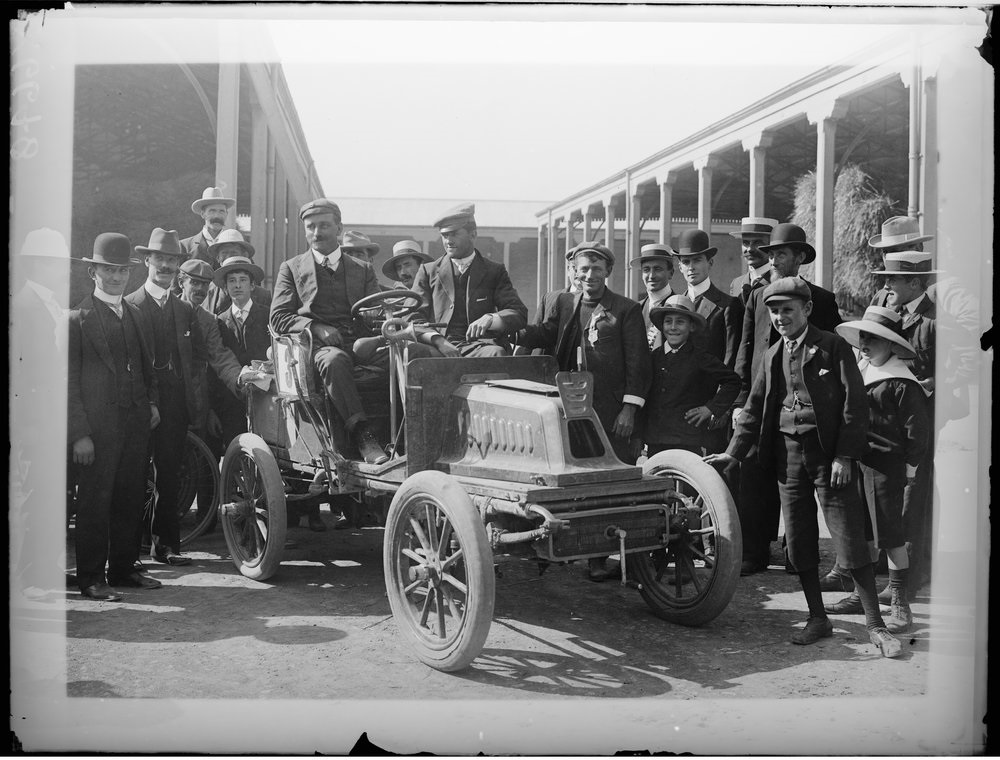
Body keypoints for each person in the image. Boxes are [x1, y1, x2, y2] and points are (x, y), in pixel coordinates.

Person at [706, 277, 902, 658]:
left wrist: (845, 456)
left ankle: (876, 625)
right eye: (774, 311)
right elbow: (754, 407)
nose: (780, 317)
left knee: (850, 540)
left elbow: (854, 406)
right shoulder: (771, 354)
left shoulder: (833, 347)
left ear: (807, 310)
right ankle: (818, 617)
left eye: (787, 310)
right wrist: (733, 452)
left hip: (830, 458)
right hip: (787, 458)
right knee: (798, 540)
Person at [517, 242, 651, 580]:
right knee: (575, 479)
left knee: (612, 481)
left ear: (608, 272)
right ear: (574, 272)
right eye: (583, 269)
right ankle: (580, 549)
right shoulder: (566, 303)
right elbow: (546, 334)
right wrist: (511, 329)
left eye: (596, 269)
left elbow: (639, 364)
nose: (589, 275)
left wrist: (629, 410)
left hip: (610, 409)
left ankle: (611, 558)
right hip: (570, 406)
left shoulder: (627, 309)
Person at [733, 223, 843, 577]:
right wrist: (741, 400)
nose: (775, 259)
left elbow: (832, 350)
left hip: (800, 402)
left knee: (798, 478)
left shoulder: (821, 299)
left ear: (799, 258)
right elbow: (745, 349)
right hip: (762, 398)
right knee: (755, 475)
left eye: (782, 253)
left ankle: (799, 553)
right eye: (772, 254)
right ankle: (754, 552)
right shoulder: (756, 295)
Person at [822, 306, 929, 632]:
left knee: (890, 535)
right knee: (860, 534)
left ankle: (899, 600)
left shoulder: (902, 383)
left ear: (892, 345)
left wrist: (910, 469)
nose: (865, 344)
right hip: (857, 463)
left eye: (875, 339)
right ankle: (859, 594)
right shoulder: (859, 373)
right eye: (863, 338)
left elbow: (917, 434)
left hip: (887, 468)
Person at [68, 233, 162, 599]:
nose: (116, 277)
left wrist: (151, 403)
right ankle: (90, 578)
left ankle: (123, 570)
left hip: (134, 424)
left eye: (122, 270)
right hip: (96, 431)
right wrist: (79, 434)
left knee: (129, 497)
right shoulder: (77, 318)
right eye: (108, 269)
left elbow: (146, 367)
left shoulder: (135, 314)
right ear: (93, 271)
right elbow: (69, 382)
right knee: (94, 502)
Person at [269, 198, 390, 465]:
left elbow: (376, 312)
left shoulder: (363, 269)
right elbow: (278, 317)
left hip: (361, 344)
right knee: (335, 361)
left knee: (405, 357)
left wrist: (378, 319)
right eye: (310, 227)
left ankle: (405, 432)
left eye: (324, 225)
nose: (317, 232)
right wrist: (316, 327)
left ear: (338, 228)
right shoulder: (291, 268)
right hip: (317, 349)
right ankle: (363, 437)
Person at [125, 228, 216, 565]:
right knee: (134, 475)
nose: (165, 265)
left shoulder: (183, 311)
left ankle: (165, 547)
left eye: (171, 260)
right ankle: (129, 550)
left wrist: (188, 401)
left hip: (174, 407)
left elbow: (197, 359)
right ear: (147, 261)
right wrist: (145, 403)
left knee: (169, 473)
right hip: (138, 406)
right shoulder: (130, 305)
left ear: (179, 267)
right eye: (159, 259)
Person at [412, 202, 528, 357]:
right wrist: (439, 341)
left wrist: (491, 318)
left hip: (480, 347)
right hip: (437, 347)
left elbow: (518, 313)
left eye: (454, 234)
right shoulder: (428, 271)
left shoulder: (494, 271)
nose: (448, 241)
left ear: (473, 235)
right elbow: (411, 316)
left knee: (496, 354)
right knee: (414, 354)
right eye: (444, 236)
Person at [641, 295, 740, 457]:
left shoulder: (701, 357)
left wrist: (711, 408)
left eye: (680, 322)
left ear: (691, 326)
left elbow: (733, 381)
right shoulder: (652, 358)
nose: (673, 327)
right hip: (655, 440)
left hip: (688, 440)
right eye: (668, 321)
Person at [215, 254, 271, 446]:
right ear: (225, 288)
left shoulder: (267, 316)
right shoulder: (220, 321)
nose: (237, 286)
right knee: (236, 449)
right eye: (232, 281)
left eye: (242, 280)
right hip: (233, 399)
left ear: (252, 286)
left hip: (266, 396)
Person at [674, 228, 744, 368]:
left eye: (697, 260)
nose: (691, 267)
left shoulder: (728, 305)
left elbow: (730, 357)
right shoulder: (675, 306)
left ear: (710, 263)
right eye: (686, 262)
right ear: (680, 267)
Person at [201, 229, 272, 315]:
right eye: (224, 253)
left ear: (245, 256)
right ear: (218, 258)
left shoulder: (263, 296)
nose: (228, 257)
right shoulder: (209, 290)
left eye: (233, 252)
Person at [631, 243, 676, 351]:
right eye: (646, 270)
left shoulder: (679, 306)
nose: (651, 276)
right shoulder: (636, 308)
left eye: (658, 269)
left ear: (671, 273)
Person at [728, 216, 779, 304]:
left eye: (758, 243)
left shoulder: (779, 282)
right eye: (745, 243)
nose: (750, 249)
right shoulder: (736, 284)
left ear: (771, 246)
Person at [180, 186, 235, 265]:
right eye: (212, 211)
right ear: (203, 214)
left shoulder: (236, 246)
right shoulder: (185, 246)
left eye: (221, 211)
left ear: (226, 214)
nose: (217, 216)